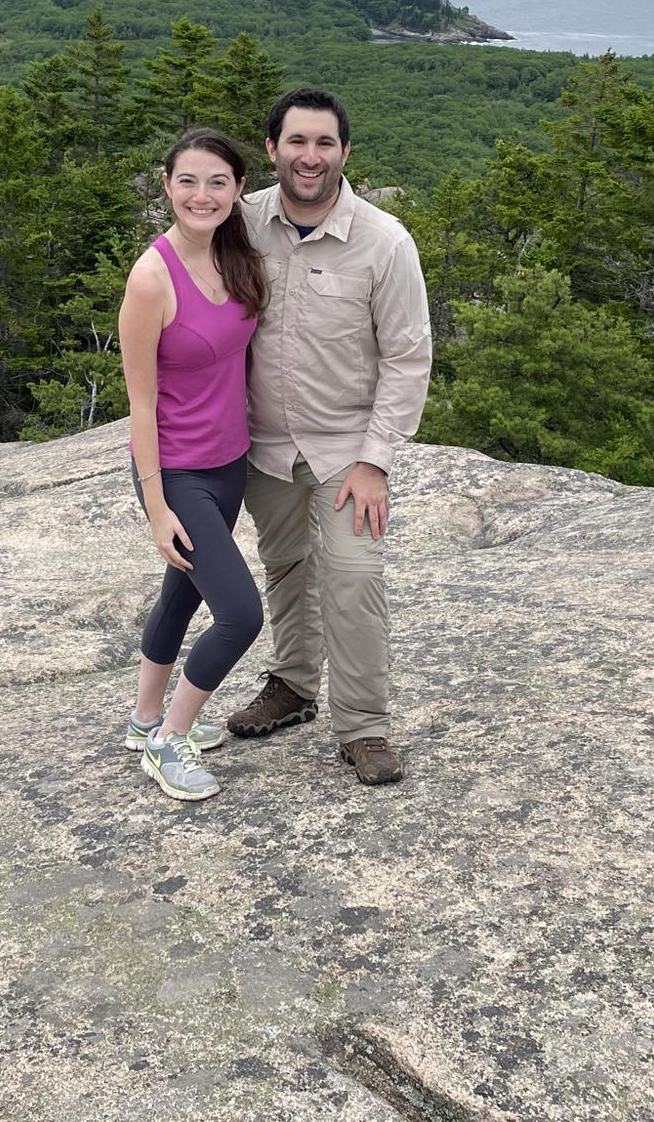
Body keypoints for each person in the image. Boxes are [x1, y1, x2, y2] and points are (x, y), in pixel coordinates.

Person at [226, 87, 432, 785]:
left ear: (345, 151)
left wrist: (376, 461)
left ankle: (365, 726)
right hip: (263, 445)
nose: (309, 157)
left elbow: (407, 358)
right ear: (271, 149)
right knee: (285, 567)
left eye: (324, 143)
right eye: (296, 142)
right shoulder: (241, 222)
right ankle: (293, 683)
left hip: (349, 448)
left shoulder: (385, 241)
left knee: (352, 577)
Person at [119, 128, 270, 802]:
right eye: (188, 181)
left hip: (229, 461)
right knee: (240, 613)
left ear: (239, 190)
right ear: (167, 185)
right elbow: (141, 405)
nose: (202, 195)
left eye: (218, 182)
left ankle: (143, 717)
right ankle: (169, 739)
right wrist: (156, 506)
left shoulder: (234, 255)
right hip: (177, 472)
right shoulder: (152, 278)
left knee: (181, 593)